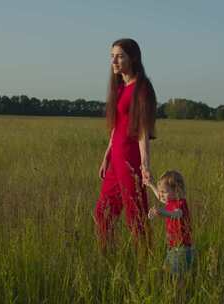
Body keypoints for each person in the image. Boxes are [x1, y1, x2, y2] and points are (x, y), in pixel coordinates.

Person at [94, 38, 157, 251]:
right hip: (116, 160)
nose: (114, 60)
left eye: (120, 56)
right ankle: (108, 258)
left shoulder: (141, 88)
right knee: (102, 213)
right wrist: (106, 156)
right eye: (112, 56)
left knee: (136, 216)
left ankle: (145, 263)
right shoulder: (120, 88)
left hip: (131, 159)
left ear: (133, 58)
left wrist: (145, 165)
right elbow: (116, 127)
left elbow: (143, 130)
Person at [146, 170, 194, 276]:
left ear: (176, 190)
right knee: (167, 275)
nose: (161, 194)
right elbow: (160, 197)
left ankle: (181, 292)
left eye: (164, 191)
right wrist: (150, 185)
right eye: (161, 191)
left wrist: (162, 212)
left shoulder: (180, 204)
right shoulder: (170, 201)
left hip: (182, 250)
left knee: (176, 278)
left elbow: (177, 214)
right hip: (173, 249)